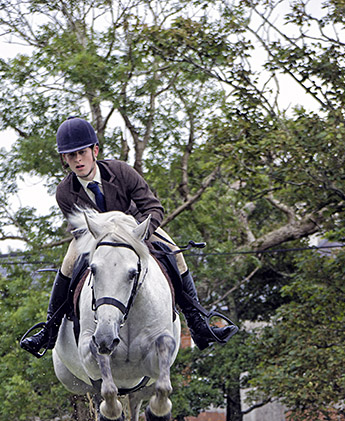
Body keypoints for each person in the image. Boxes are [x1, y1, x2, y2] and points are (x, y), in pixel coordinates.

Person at [20, 116, 236, 357]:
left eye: (82, 152)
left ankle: (198, 322)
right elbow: (80, 229)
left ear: (95, 150)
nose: (78, 160)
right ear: (64, 159)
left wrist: (139, 234)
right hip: (95, 236)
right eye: (71, 156)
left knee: (177, 255)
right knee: (68, 264)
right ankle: (50, 328)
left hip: (135, 227)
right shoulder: (64, 192)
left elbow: (154, 208)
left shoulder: (122, 172)